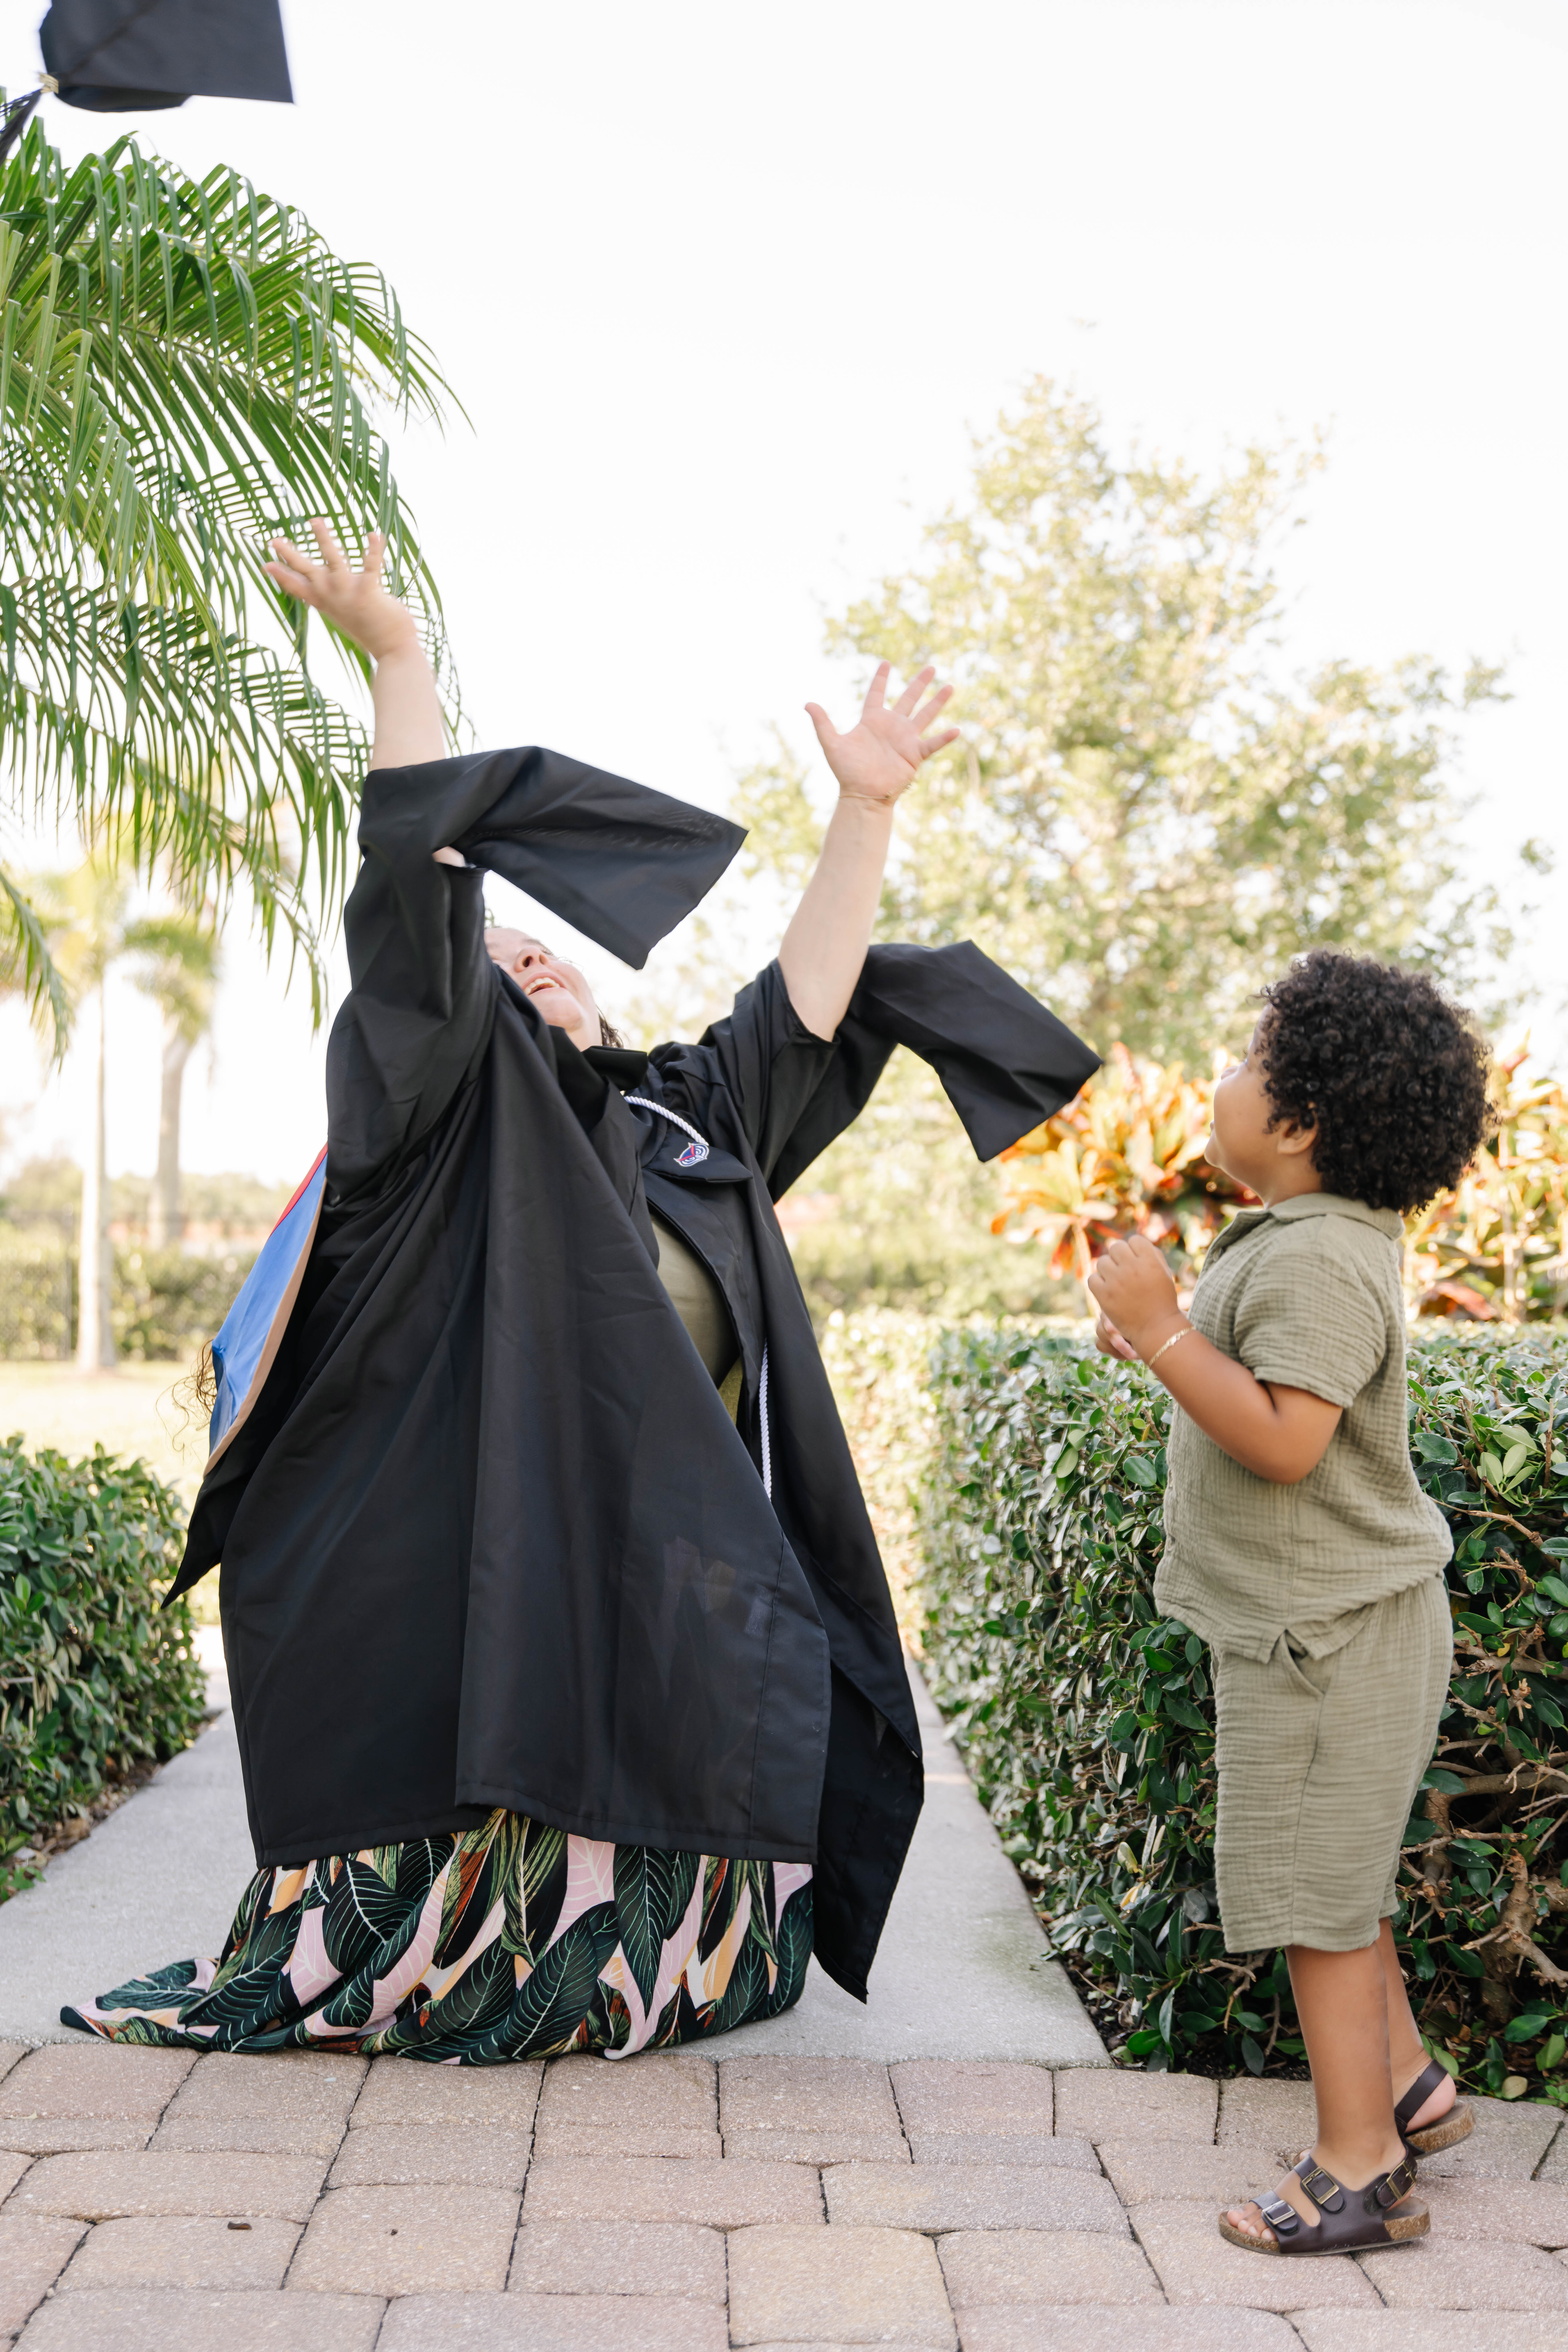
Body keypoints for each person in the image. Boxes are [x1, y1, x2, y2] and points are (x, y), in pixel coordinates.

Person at [64, 522, 1100, 2061]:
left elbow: (806, 1007)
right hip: (470, 1561)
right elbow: (413, 890)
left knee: (668, 1865)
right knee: (478, 1792)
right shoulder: (436, 1125)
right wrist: (399, 664)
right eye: (497, 966)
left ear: (602, 993)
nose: (525, 968)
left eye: (547, 958)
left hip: (658, 1581)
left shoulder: (688, 1123)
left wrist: (863, 812)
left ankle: (640, 1964)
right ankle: (447, 1964)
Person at [1087, 950, 1493, 2260]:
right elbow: (1247, 1390)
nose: (1225, 1079)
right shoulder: (1302, 1240)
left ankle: (1357, 2163)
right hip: (1313, 1627)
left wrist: (1161, 1333)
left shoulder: (1319, 1259)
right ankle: (1412, 2086)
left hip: (1328, 1636)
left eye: (1250, 1060)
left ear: (1301, 1120)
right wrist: (1169, 1337)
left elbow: (1284, 1443)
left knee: (1315, 1902)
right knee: (1339, 1876)